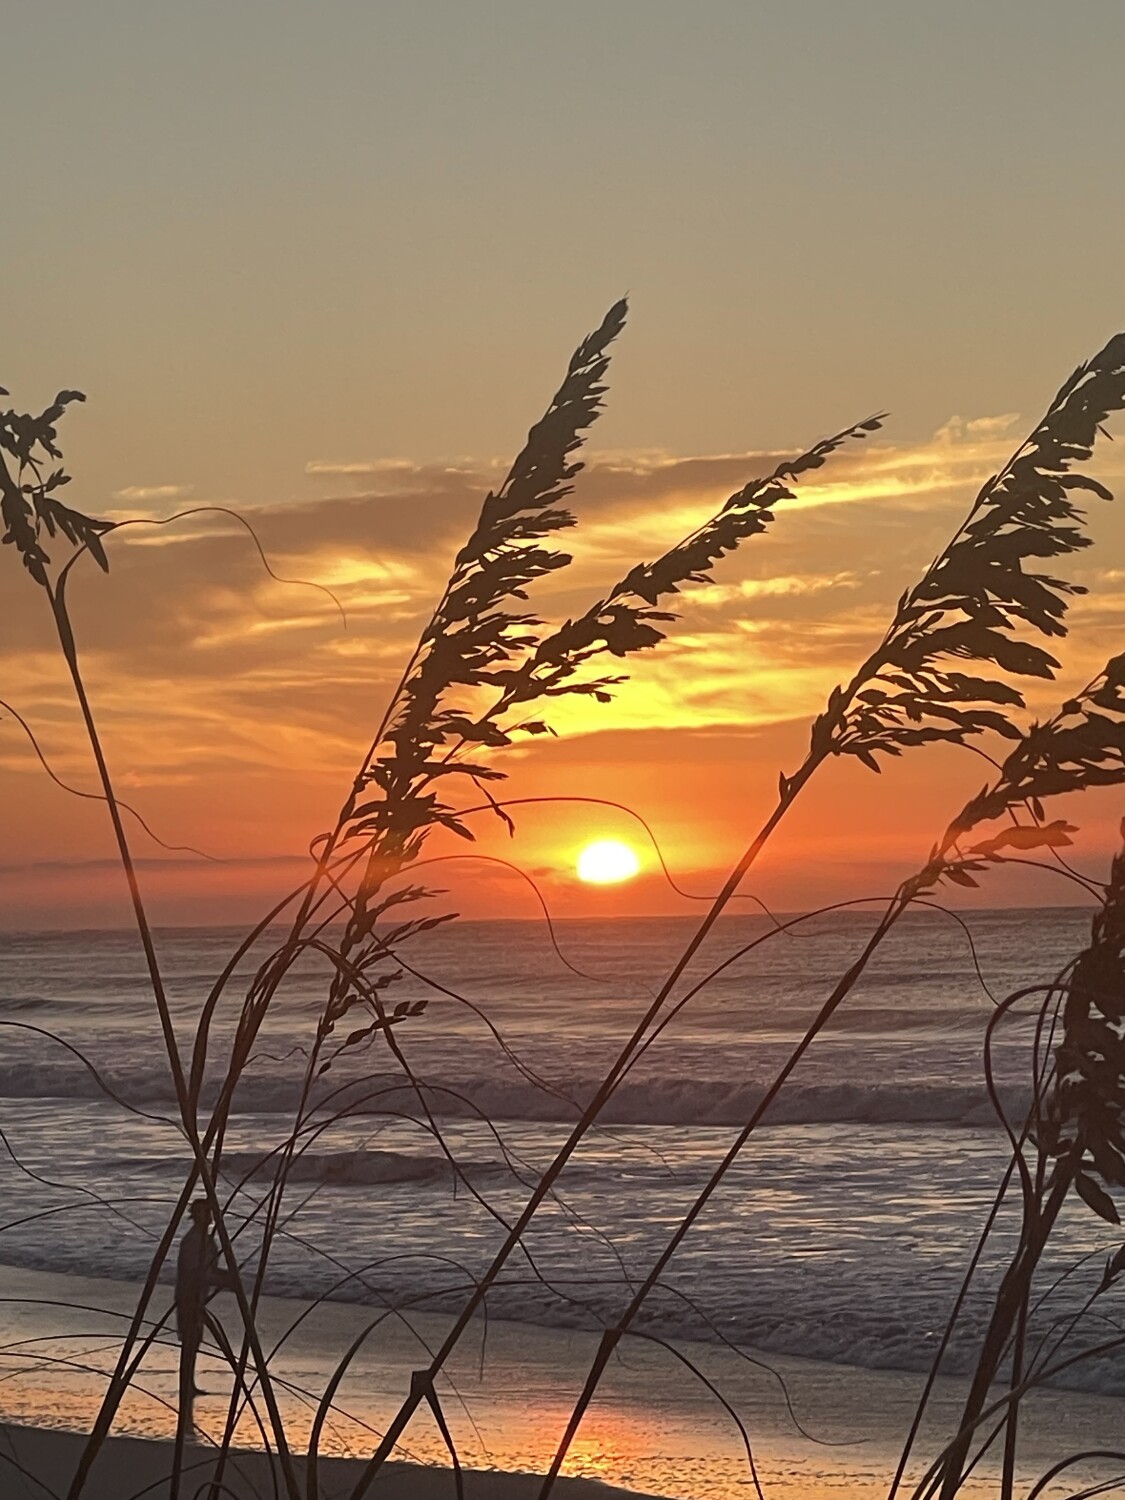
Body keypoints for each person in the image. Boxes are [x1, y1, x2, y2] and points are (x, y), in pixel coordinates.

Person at [175, 1199, 235, 1425]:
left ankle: (189, 1384)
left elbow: (210, 1270)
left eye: (209, 1212)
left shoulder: (208, 1241)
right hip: (188, 1297)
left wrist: (228, 1277)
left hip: (198, 1297)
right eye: (204, 1213)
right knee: (189, 1342)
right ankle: (186, 1385)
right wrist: (226, 1281)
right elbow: (197, 1273)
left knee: (195, 1341)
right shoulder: (192, 1241)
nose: (208, 1216)